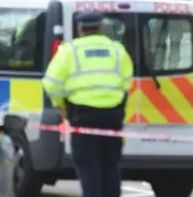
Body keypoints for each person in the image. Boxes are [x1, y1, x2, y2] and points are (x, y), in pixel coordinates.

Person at [42, 12, 133, 197]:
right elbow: (127, 81)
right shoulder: (117, 49)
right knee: (111, 165)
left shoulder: (70, 50)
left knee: (88, 166)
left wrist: (61, 106)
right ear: (100, 28)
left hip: (83, 117)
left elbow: (51, 83)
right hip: (112, 116)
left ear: (80, 29)